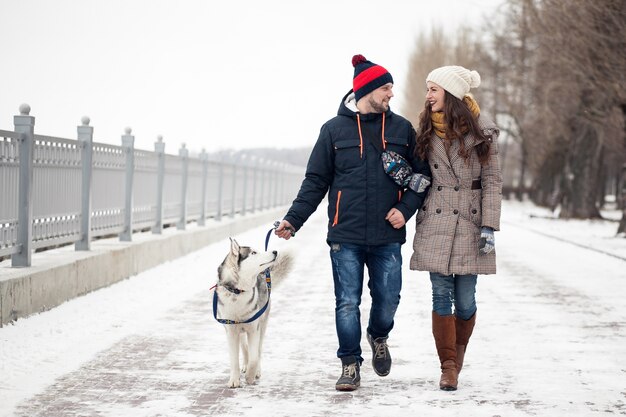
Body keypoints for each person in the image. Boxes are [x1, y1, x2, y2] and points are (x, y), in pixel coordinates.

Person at [275, 54, 431, 391]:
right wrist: (293, 220)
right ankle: (349, 364)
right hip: (345, 234)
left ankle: (378, 335)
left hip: (388, 234)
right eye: (386, 87)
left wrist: (405, 209)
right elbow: (315, 181)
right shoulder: (333, 130)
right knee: (347, 301)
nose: (391, 94)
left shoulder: (403, 129)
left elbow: (421, 176)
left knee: (388, 299)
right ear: (368, 89)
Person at [410, 66, 502, 391]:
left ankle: (457, 358)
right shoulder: (425, 131)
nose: (428, 96)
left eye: (433, 89)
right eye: (427, 89)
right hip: (436, 219)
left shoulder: (483, 133)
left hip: (471, 222)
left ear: (449, 93)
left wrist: (489, 226)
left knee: (465, 300)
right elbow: (417, 171)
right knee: (440, 293)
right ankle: (448, 366)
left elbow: (492, 181)